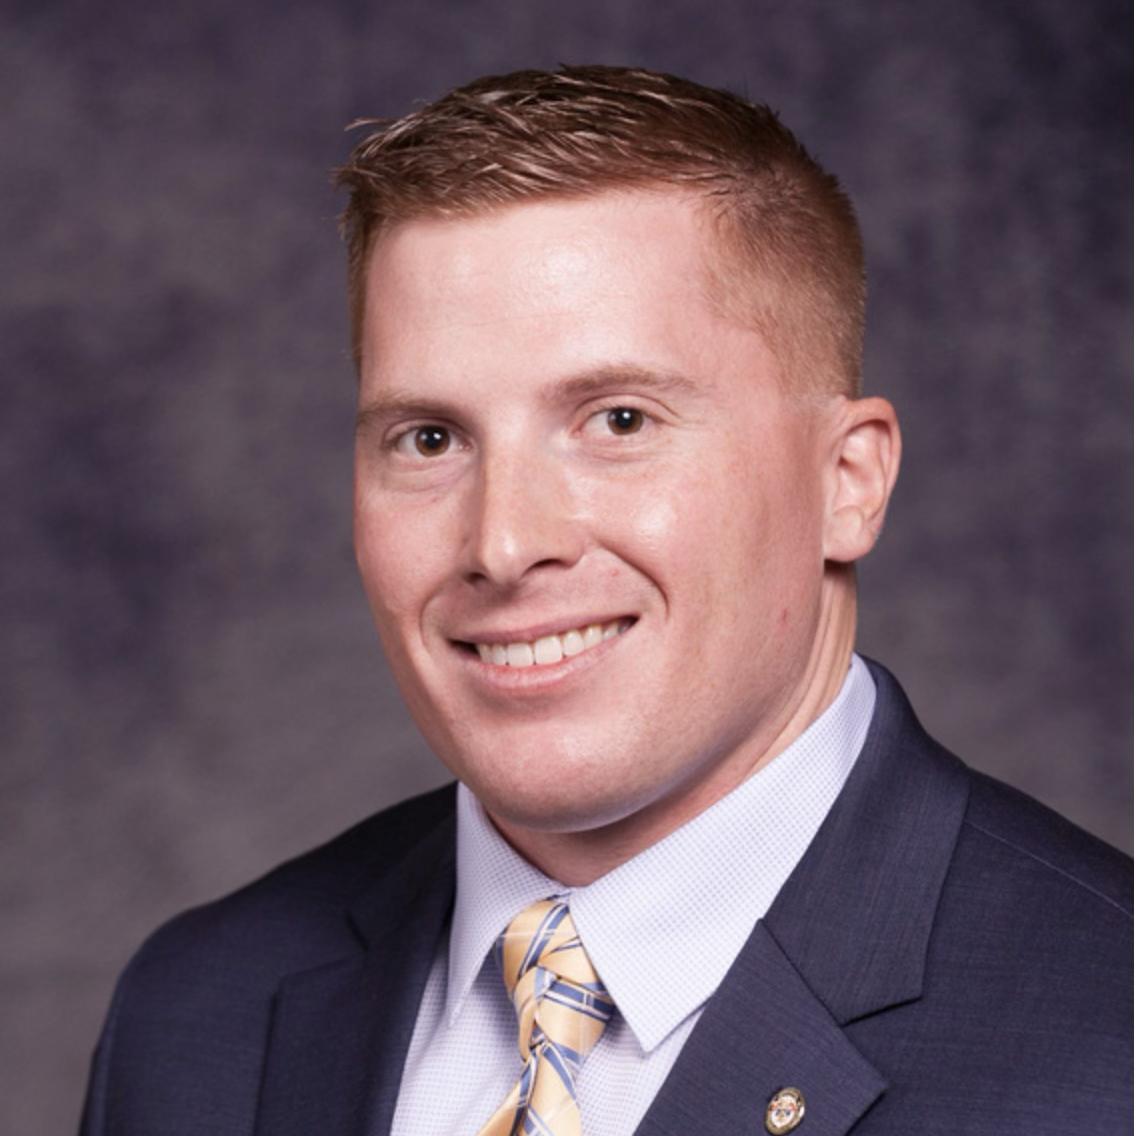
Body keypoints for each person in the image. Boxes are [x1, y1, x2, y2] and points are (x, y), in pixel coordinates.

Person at [80, 65, 1131, 1136]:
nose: (503, 544)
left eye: (619, 421)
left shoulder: (1110, 1042)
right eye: (429, 439)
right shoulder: (197, 1017)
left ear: (846, 481)